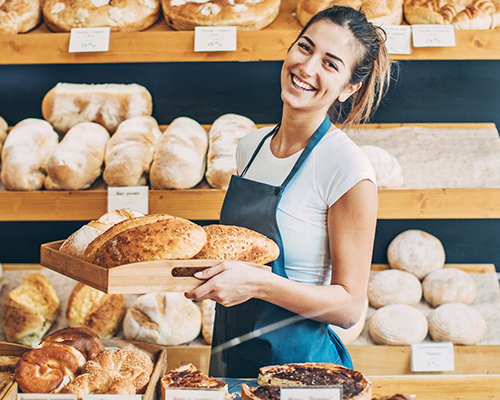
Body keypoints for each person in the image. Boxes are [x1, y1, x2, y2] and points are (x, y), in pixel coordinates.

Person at [185, 5, 393, 378]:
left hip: (303, 373)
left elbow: (349, 306)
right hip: (232, 358)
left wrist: (257, 283)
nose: (307, 68)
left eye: (330, 64)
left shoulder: (347, 168)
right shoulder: (249, 147)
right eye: (305, 48)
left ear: (350, 87)